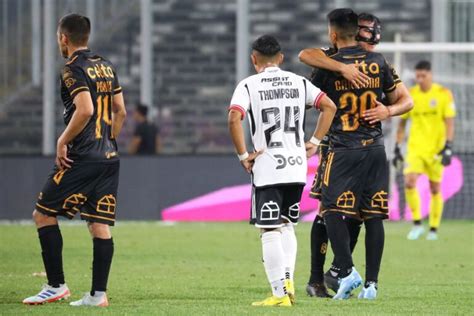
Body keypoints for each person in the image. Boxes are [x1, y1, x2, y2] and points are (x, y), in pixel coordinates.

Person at [300, 12, 413, 298]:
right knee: (336, 213)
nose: (370, 48)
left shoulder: (372, 61)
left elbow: (406, 100)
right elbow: (307, 54)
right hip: (367, 147)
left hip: (344, 146)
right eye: (368, 39)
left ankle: (343, 272)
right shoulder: (336, 58)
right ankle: (322, 278)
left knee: (346, 212)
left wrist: (388, 110)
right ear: (359, 34)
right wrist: (343, 68)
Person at [23, 14, 127, 307]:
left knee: (42, 214)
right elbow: (120, 111)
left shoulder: (73, 69)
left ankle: (56, 285)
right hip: (109, 157)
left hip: (82, 157)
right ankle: (97, 295)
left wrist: (62, 141)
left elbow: (84, 109)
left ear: (64, 38)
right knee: (98, 223)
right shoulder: (106, 65)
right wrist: (108, 141)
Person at [228, 35, 336, 307]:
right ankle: (287, 285)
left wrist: (243, 155)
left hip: (268, 166)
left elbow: (234, 117)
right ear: (281, 58)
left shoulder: (248, 85)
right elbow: (329, 106)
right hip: (296, 166)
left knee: (269, 229)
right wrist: (314, 141)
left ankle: (279, 294)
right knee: (287, 225)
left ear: (254, 59)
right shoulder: (299, 82)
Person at [394, 60, 456, 241]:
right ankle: (417, 224)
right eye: (418, 76)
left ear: (430, 74)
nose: (420, 79)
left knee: (435, 188)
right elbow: (401, 124)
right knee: (409, 182)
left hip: (436, 149)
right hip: (416, 148)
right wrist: (398, 147)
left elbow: (450, 122)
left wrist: (449, 147)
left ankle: (434, 229)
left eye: (423, 76)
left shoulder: (444, 94)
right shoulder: (411, 95)